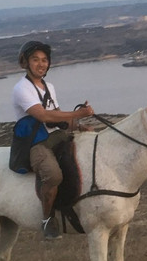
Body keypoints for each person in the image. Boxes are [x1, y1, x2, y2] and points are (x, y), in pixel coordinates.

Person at [12, 40, 94, 240]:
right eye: (36, 60)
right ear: (25, 63)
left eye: (44, 60)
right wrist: (78, 114)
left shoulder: (48, 87)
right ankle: (47, 219)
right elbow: (44, 116)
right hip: (35, 143)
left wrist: (78, 125)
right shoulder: (22, 88)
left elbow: (57, 116)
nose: (41, 64)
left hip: (56, 136)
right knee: (53, 174)